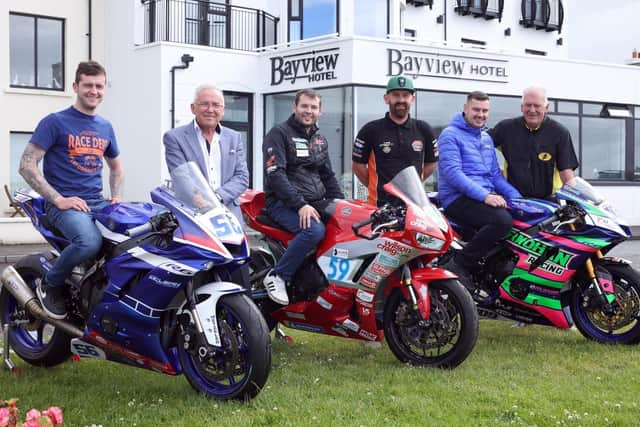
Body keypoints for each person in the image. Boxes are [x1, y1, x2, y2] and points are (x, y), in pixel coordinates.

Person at [19, 61, 124, 319]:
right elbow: (27, 165)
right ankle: (51, 285)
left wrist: (117, 197)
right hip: (63, 206)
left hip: (96, 202)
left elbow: (117, 168)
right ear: (75, 86)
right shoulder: (55, 122)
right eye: (88, 85)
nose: (94, 91)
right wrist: (59, 199)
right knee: (89, 243)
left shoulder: (105, 127)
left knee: (135, 238)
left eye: (99, 86)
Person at [262, 89, 344, 305]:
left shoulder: (319, 139)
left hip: (315, 201)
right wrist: (300, 205)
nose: (309, 111)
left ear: (320, 111)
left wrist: (342, 204)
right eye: (304, 106)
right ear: (294, 107)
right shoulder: (278, 134)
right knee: (314, 229)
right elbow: (276, 175)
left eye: (313, 107)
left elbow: (328, 176)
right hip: (282, 203)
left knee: (347, 226)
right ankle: (279, 275)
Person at [163, 84, 250, 286]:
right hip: (195, 216)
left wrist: (217, 197)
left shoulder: (233, 137)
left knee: (238, 281)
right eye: (204, 104)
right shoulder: (175, 138)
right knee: (200, 280)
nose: (210, 109)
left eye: (216, 105)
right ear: (193, 108)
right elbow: (182, 177)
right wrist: (199, 199)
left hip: (229, 218)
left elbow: (242, 176)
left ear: (223, 110)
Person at [437, 91, 521, 290]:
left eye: (485, 111)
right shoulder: (450, 135)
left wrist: (519, 200)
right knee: (501, 221)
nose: (480, 114)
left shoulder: (485, 138)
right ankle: (460, 264)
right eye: (476, 109)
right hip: (457, 199)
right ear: (465, 108)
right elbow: (453, 173)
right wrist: (486, 197)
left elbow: (495, 176)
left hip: (482, 198)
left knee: (521, 218)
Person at [352, 76, 438, 206]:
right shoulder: (370, 130)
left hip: (414, 205)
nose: (401, 100)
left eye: (405, 95)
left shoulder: (424, 129)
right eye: (396, 95)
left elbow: (430, 165)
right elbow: (358, 167)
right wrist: (376, 186)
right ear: (386, 98)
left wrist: (411, 186)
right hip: (378, 206)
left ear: (412, 99)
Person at [489, 87, 579, 200]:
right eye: (528, 105)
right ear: (521, 107)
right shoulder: (505, 128)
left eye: (537, 106)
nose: (532, 110)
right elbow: (479, 144)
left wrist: (576, 199)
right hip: (514, 200)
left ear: (546, 108)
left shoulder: (559, 132)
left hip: (549, 202)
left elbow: (566, 172)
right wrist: (493, 172)